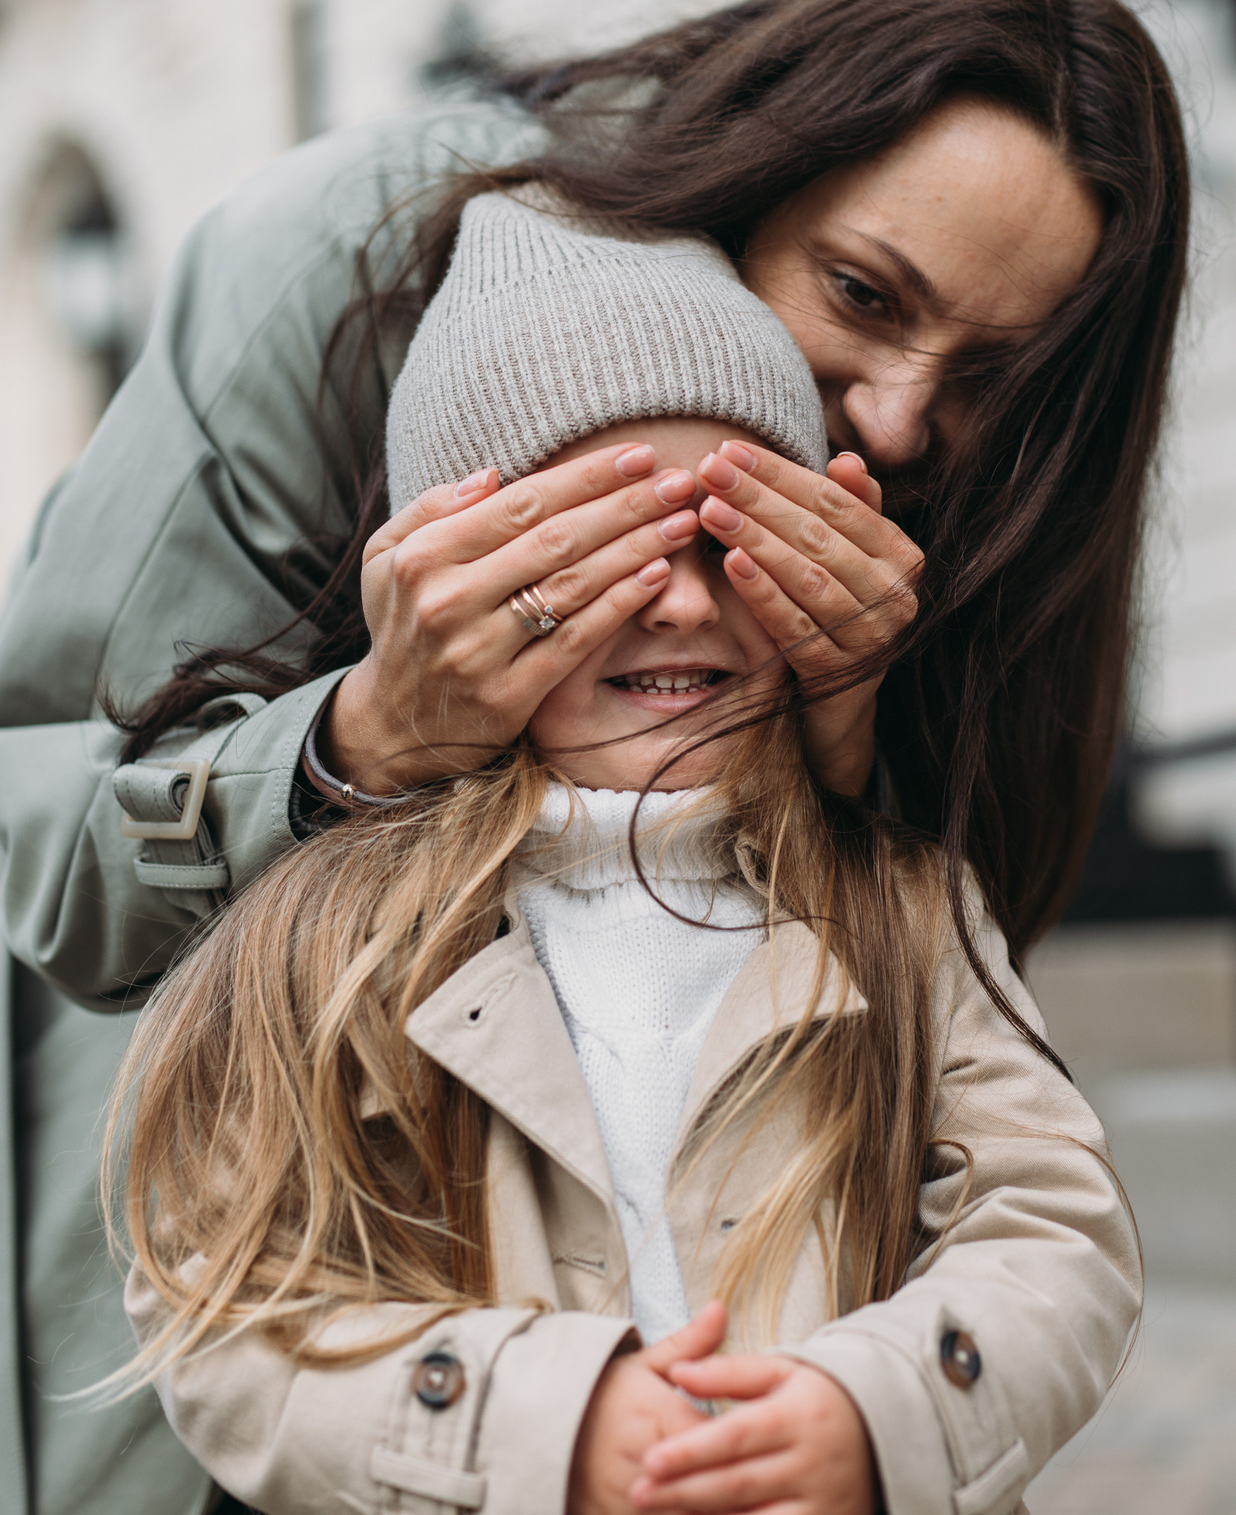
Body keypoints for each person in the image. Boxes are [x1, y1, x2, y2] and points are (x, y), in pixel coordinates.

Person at [0, 0, 1188, 1515]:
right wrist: (366, 736)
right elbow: (74, 893)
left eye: (994, 378)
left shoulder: (916, 789)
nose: (901, 416)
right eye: (861, 291)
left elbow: (1023, 1186)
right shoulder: (356, 266)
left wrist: (843, 736)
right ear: (761, 168)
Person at [110, 189, 1139, 1515]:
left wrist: (879, 1412)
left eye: (730, 537)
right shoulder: (327, 925)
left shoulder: (902, 908)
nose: (680, 598)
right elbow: (228, 1307)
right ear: (451, 583)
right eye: (600, 546)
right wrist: (539, 1428)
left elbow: (1056, 1228)